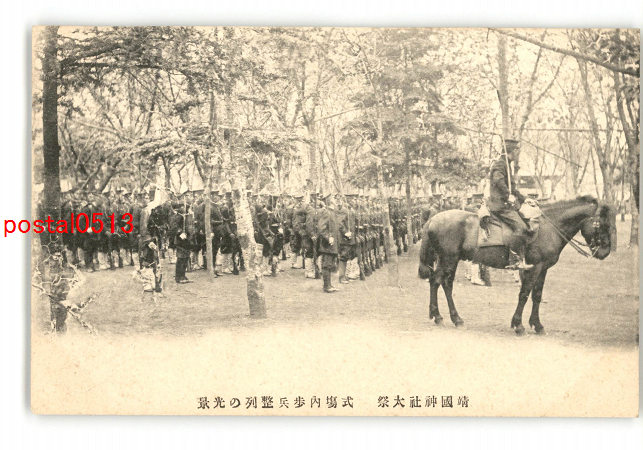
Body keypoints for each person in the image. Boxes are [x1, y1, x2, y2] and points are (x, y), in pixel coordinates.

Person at [487, 138, 533, 270]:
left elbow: (512, 188)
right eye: (517, 151)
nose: (518, 155)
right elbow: (498, 181)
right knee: (521, 228)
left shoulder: (507, 166)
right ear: (512, 151)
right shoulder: (500, 164)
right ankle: (514, 260)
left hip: (505, 204)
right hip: (499, 205)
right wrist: (508, 195)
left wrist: (525, 199)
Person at [317, 194, 340, 293]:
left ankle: (329, 284)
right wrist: (328, 237)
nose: (336, 200)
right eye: (334, 199)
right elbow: (321, 228)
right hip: (327, 244)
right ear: (330, 201)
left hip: (332, 243)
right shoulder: (326, 212)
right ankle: (326, 286)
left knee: (329, 264)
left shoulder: (333, 212)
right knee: (326, 264)